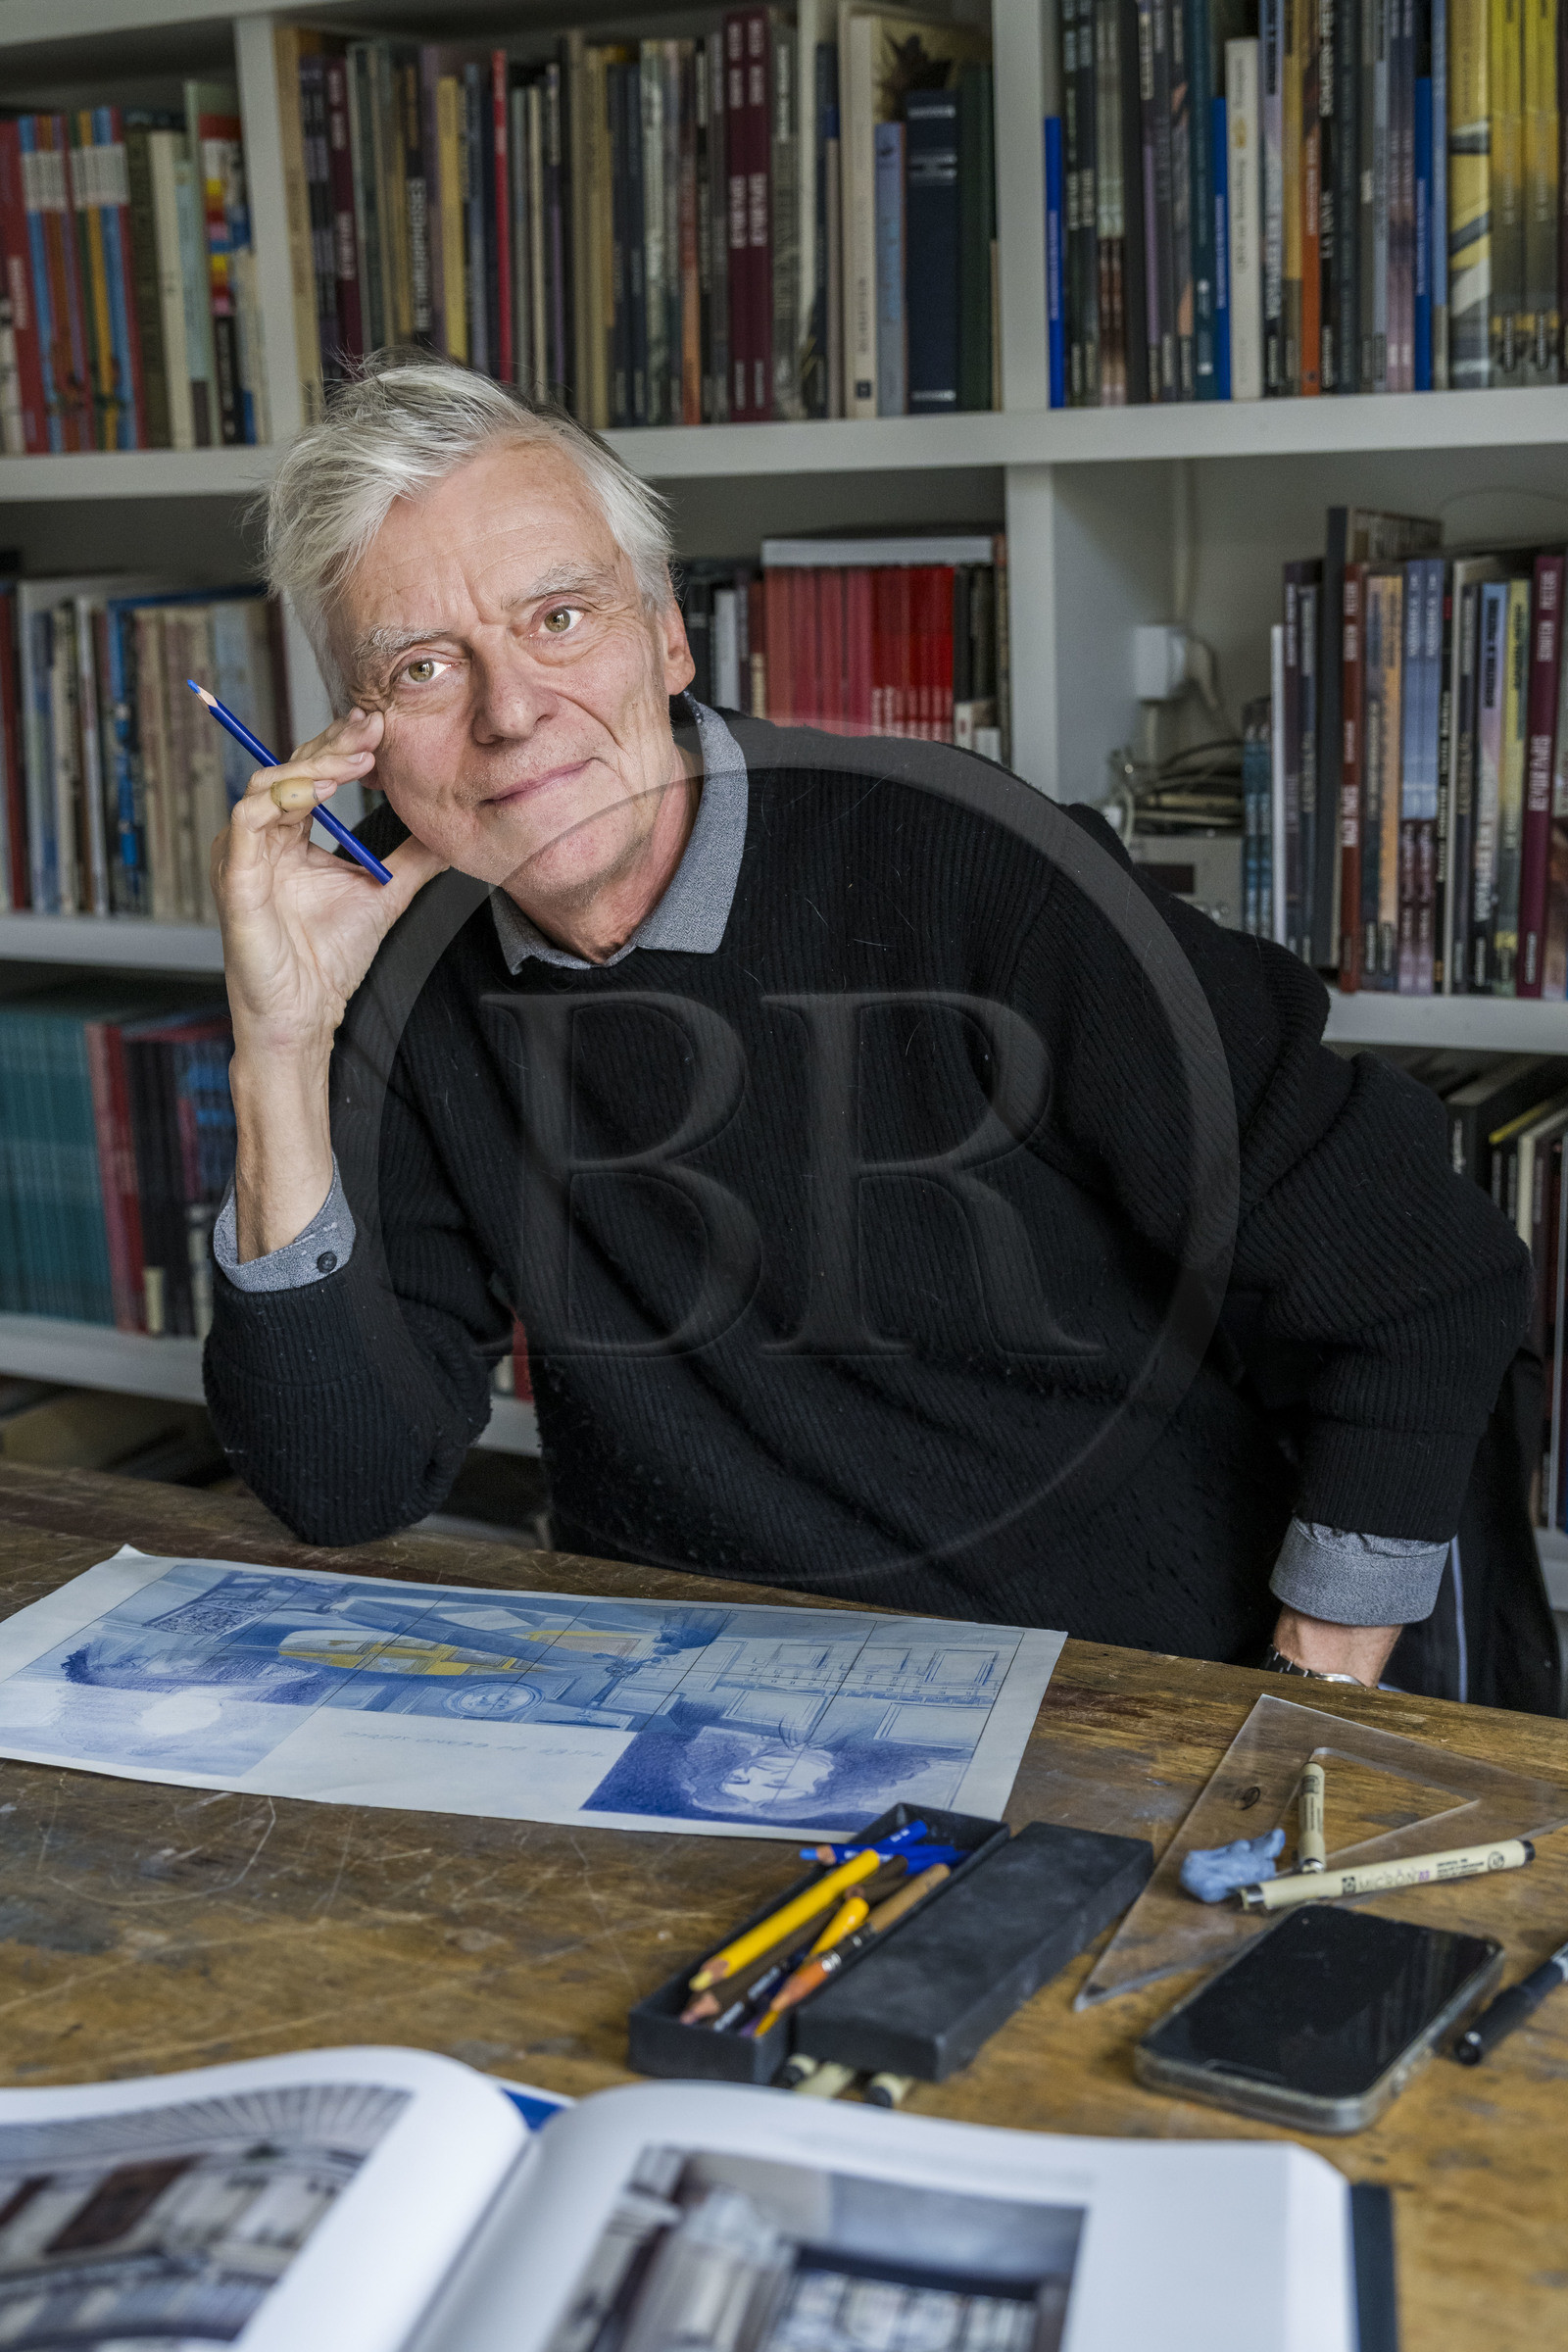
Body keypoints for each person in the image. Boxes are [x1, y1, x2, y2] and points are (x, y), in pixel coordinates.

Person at [204, 354, 1534, 1692]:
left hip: (1125, 1687)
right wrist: (281, 1046)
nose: (508, 714)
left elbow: (1416, 1271)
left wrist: (1305, 1703)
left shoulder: (971, 868)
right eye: (426, 666)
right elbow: (345, 1484)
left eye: (559, 618)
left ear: (667, 635)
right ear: (358, 738)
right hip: (697, 1705)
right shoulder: (400, 964)